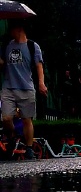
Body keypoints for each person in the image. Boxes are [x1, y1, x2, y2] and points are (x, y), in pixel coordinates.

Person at [0, 20, 48, 160]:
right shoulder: (7, 46)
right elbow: (2, 63)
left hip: (26, 87)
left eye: (12, 29)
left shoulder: (33, 46)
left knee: (27, 119)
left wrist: (41, 83)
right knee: (6, 118)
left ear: (19, 29)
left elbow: (39, 66)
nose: (10, 32)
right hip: (8, 87)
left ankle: (28, 148)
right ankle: (12, 137)